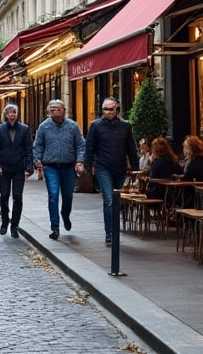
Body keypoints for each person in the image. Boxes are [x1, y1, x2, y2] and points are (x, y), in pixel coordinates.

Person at [83, 97, 140, 246]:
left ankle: (114, 228)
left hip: (120, 168)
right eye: (105, 109)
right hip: (103, 167)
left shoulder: (125, 126)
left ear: (117, 109)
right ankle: (110, 233)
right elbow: (90, 146)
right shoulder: (95, 126)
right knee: (108, 199)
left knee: (117, 200)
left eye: (111, 109)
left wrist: (135, 167)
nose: (108, 112)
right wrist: (88, 165)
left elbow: (131, 147)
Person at [32, 99, 85, 240]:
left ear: (63, 110)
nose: (55, 111)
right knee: (53, 195)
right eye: (52, 109)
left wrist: (80, 161)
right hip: (51, 167)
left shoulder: (72, 126)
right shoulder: (44, 127)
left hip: (68, 166)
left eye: (58, 108)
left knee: (68, 196)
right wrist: (37, 160)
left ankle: (65, 215)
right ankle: (54, 227)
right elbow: (38, 145)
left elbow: (81, 145)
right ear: (48, 111)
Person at [0, 104, 33, 238]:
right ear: (5, 115)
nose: (12, 114)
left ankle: (14, 225)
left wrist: (29, 167)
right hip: (4, 168)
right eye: (9, 112)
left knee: (18, 197)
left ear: (17, 114)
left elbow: (28, 149)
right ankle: (4, 221)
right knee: (4, 195)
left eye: (14, 112)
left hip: (19, 168)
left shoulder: (24, 129)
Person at [144, 137, 183, 202]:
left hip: (156, 193)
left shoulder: (156, 162)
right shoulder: (172, 160)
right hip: (172, 194)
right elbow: (180, 173)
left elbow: (151, 180)